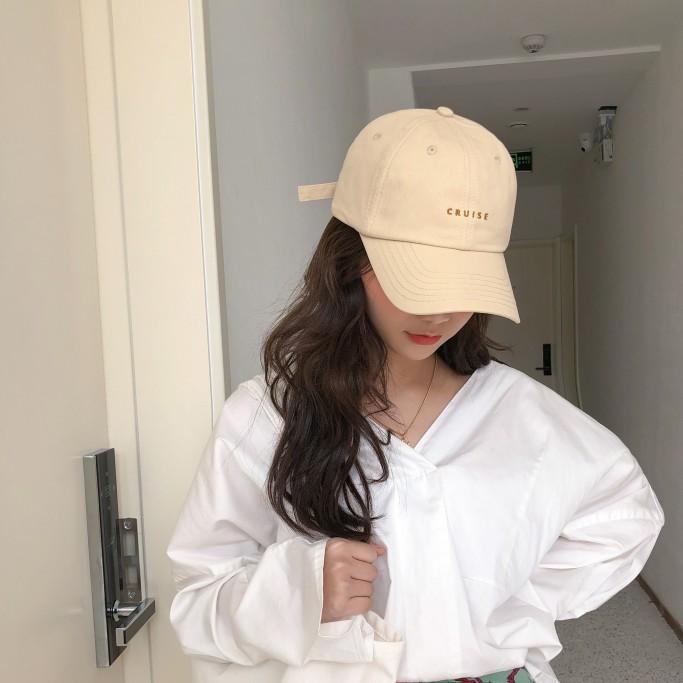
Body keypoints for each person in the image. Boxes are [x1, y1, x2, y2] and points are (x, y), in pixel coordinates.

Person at [165, 107, 665, 683]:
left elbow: (624, 514)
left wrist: (510, 606)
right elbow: (198, 602)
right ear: (348, 262)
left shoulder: (519, 411)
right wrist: (298, 591)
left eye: (464, 281)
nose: (440, 312)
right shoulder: (267, 416)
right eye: (415, 277)